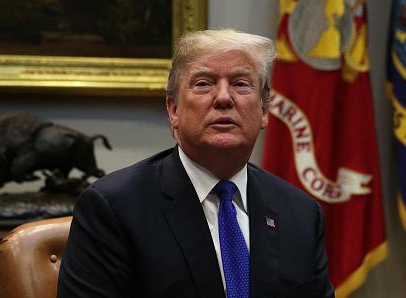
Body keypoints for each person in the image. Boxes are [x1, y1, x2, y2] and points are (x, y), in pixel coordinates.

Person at [57, 28, 335, 298]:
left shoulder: (300, 213)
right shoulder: (113, 208)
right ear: (174, 109)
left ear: (264, 111)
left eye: (240, 84)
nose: (224, 98)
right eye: (203, 83)